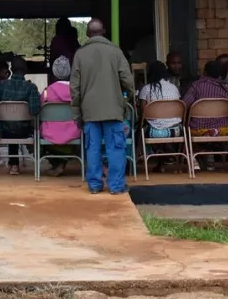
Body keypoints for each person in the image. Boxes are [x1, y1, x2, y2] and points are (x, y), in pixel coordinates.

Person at [71, 17, 135, 194]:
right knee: (115, 148)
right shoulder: (115, 52)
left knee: (92, 148)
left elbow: (74, 88)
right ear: (104, 32)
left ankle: (94, 185)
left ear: (87, 34)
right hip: (113, 110)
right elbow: (128, 81)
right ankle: (115, 186)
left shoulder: (80, 54)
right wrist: (123, 100)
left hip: (89, 111)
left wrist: (77, 113)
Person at [0, 55, 41, 176]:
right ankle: (31, 158)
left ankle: (14, 164)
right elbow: (35, 111)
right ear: (26, 70)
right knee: (20, 125)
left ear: (11, 70)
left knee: (10, 124)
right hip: (24, 131)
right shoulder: (31, 87)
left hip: (4, 131)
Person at [183, 57, 228, 170]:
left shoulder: (196, 86)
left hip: (198, 130)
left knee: (185, 125)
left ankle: (194, 158)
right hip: (222, 130)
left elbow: (184, 105)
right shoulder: (227, 89)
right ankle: (209, 156)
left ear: (205, 73)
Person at [39, 56, 79, 176]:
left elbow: (39, 111)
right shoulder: (77, 91)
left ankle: (57, 164)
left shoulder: (47, 91)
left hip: (50, 133)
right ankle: (62, 163)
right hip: (75, 133)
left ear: (54, 73)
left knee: (36, 131)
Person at [136, 61, 183, 156]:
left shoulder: (146, 89)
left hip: (153, 132)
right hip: (176, 130)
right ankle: (168, 153)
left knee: (138, 129)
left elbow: (143, 112)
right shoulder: (174, 88)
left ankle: (141, 157)